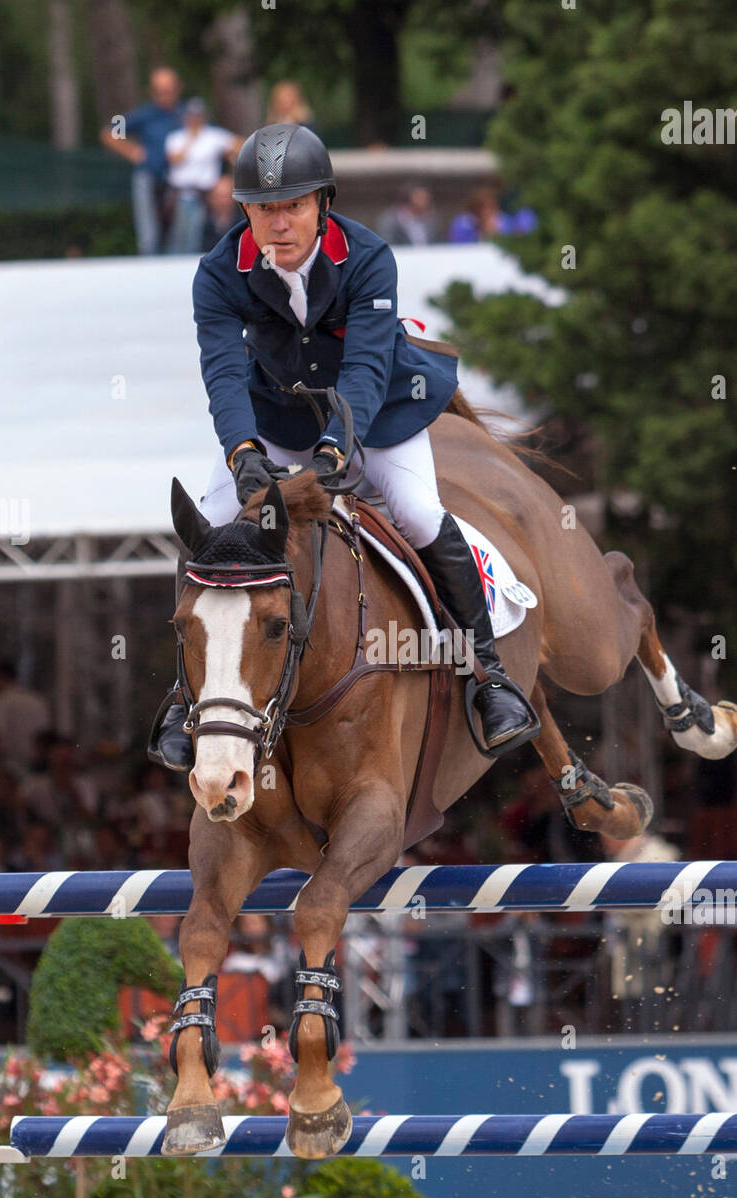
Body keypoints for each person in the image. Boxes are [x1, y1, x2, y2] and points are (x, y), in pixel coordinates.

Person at [149, 123, 537, 771]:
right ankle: (182, 697)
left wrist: (334, 453)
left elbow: (362, 370)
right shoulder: (218, 273)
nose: (278, 223)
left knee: (414, 511)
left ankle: (488, 677)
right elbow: (221, 370)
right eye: (264, 208)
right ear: (243, 209)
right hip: (275, 414)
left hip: (377, 412)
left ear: (321, 204)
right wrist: (242, 451)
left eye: (292, 206)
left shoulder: (366, 256)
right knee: (211, 530)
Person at [100, 67, 184, 255]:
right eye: (159, 91)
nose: (164, 96)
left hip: (178, 183)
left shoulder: (185, 114)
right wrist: (133, 152)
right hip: (148, 177)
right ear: (152, 92)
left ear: (178, 89)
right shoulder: (144, 114)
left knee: (179, 235)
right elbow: (110, 132)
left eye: (168, 90)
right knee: (149, 235)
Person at [164, 98, 241, 255]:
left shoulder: (213, 136)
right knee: (180, 235)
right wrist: (191, 139)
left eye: (198, 115)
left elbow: (240, 145)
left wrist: (229, 156)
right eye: (192, 115)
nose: (195, 119)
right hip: (182, 194)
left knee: (201, 235)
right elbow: (175, 158)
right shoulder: (176, 137)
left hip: (207, 196)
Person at [448, 185, 538, 243]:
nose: (488, 213)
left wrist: (496, 232)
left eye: (492, 208)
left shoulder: (504, 221)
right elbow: (458, 247)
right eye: (483, 209)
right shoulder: (464, 225)